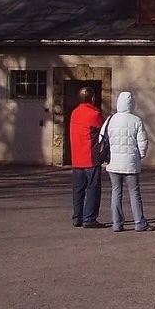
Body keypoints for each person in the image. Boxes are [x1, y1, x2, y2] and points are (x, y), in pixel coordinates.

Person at [106, 91, 154, 232]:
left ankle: (117, 223)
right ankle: (139, 222)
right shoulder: (136, 120)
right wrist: (140, 156)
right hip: (131, 163)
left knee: (116, 192)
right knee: (134, 193)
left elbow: (104, 139)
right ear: (132, 104)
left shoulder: (111, 120)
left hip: (114, 162)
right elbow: (142, 143)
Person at [69, 86, 106, 228]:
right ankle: (89, 218)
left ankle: (77, 217)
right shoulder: (94, 114)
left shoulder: (74, 113)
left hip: (77, 157)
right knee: (93, 190)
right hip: (90, 156)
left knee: (78, 190)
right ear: (92, 98)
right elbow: (104, 130)